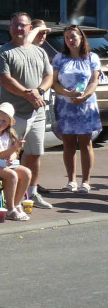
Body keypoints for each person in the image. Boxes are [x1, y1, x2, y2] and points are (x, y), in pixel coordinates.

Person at [0, 12, 53, 209]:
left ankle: (32, 194)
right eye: (15, 25)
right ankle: (8, 199)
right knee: (9, 156)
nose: (19, 29)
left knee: (34, 154)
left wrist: (40, 91)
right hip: (12, 115)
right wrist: (29, 94)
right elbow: (6, 80)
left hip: (37, 113)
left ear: (30, 29)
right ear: (10, 28)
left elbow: (49, 76)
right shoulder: (4, 52)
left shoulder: (39, 51)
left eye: (23, 25)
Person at [52, 24, 100, 193]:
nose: (70, 40)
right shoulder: (59, 58)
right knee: (68, 144)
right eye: (67, 38)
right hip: (65, 106)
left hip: (85, 106)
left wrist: (84, 96)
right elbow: (54, 82)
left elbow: (94, 81)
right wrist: (66, 92)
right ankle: (71, 180)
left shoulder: (91, 57)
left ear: (81, 37)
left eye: (73, 37)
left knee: (86, 144)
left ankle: (85, 181)